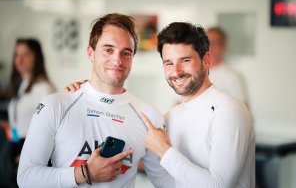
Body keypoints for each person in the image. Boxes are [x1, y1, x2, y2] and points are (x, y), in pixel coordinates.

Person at [17, 13, 173, 188]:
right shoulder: (55, 105)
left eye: (126, 53)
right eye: (108, 49)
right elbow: (26, 177)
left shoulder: (149, 116)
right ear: (90, 53)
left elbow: (167, 183)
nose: (117, 59)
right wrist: (85, 173)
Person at [140, 22, 255, 187]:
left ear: (206, 60)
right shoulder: (172, 115)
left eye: (185, 60)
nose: (176, 71)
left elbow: (218, 185)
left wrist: (164, 151)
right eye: (169, 63)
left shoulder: (229, 111)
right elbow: (171, 182)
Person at [7, 38, 55, 186]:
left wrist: (27, 153)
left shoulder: (43, 88)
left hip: (30, 149)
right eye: (17, 54)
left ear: (36, 57)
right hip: (17, 146)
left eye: (25, 54)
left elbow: (49, 129)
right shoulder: (22, 86)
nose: (19, 59)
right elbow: (17, 123)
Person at [206, 27, 248, 104]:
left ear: (223, 46)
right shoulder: (195, 72)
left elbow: (242, 110)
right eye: (207, 42)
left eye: (214, 42)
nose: (209, 47)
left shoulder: (232, 76)